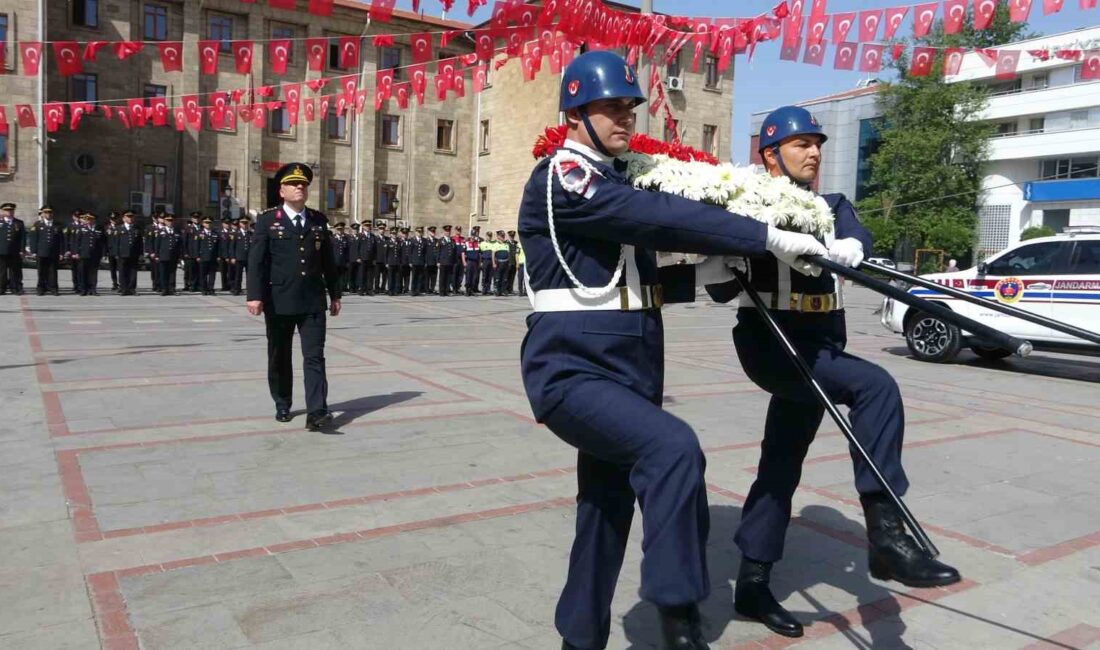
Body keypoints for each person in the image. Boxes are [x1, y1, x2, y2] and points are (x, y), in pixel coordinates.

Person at [520, 51, 827, 650]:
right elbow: (655, 218)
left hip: (629, 369)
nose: (624, 117)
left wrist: (711, 275)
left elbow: (627, 284)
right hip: (572, 369)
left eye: (630, 107)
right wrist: (767, 234)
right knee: (674, 449)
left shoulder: (613, 177)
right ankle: (678, 609)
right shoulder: (566, 174)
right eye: (611, 106)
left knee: (604, 512)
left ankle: (578, 638)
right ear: (576, 108)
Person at [707, 106, 961, 640]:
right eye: (802, 144)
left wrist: (849, 247)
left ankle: (753, 580)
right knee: (877, 385)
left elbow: (856, 237)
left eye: (817, 143)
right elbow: (720, 288)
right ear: (770, 154)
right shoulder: (748, 206)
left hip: (823, 343)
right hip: (773, 343)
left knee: (779, 465)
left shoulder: (832, 205)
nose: (815, 152)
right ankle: (887, 531)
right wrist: (735, 247)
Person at [247, 163, 342, 432]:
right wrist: (254, 296)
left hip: (312, 299)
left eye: (303, 184)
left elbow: (328, 261)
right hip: (279, 299)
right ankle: (283, 402)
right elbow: (257, 262)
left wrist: (335, 293)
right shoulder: (268, 220)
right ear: (282, 191)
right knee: (280, 354)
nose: (300, 187)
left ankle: (317, 411)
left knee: (315, 356)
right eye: (293, 184)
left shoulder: (318, 220)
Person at [28, 206, 63, 296]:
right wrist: (34, 251)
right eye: (46, 212)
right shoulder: (37, 224)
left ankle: (53, 288)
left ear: (52, 213)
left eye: (50, 212)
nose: (48, 214)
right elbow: (33, 239)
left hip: (53, 252)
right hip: (41, 252)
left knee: (53, 271)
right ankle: (41, 288)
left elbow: (62, 240)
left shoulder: (58, 225)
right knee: (41, 271)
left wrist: (61, 252)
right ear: (42, 214)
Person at [75, 212, 106, 296]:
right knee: (83, 272)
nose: (88, 220)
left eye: (90, 219)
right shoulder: (81, 228)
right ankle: (83, 289)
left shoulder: (99, 228)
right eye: (87, 219)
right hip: (84, 253)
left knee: (93, 272)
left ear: (94, 220)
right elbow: (77, 241)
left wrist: (103, 254)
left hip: (95, 254)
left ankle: (93, 289)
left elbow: (103, 242)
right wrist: (77, 252)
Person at [0, 202, 26, 295]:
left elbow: (23, 238)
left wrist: (22, 250)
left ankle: (14, 287)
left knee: (14, 271)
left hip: (14, 251)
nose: (9, 212)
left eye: (11, 210)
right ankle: (1, 288)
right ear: (3, 211)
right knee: (1, 271)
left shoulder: (19, 223)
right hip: (1, 251)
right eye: (7, 210)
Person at [116, 211, 142, 295]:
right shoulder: (119, 228)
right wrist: (116, 253)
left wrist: (140, 253)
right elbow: (116, 242)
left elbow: (140, 242)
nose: (130, 218)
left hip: (134, 253)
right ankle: (124, 289)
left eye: (131, 217)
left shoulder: (136, 228)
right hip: (122, 253)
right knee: (123, 271)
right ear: (124, 218)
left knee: (133, 271)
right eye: (128, 217)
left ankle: (131, 288)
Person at [156, 214, 182, 296]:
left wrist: (180, 256)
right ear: (164, 221)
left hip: (173, 256)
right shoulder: (160, 231)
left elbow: (180, 245)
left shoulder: (177, 231)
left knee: (172, 273)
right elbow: (157, 244)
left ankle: (172, 288)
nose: (170, 222)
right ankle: (164, 289)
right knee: (163, 273)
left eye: (171, 221)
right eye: (168, 220)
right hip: (163, 255)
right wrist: (157, 255)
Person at [196, 217, 220, 295]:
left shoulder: (215, 233)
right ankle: (204, 289)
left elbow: (218, 246)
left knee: (212, 274)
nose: (208, 224)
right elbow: (197, 245)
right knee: (203, 274)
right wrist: (197, 256)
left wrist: (218, 255)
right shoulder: (199, 233)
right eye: (206, 222)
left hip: (213, 257)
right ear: (203, 224)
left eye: (209, 223)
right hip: (203, 256)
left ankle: (211, 288)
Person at [232, 216, 252, 296]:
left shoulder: (251, 233)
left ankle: (249, 289)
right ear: (240, 224)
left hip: (249, 258)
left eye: (246, 223)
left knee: (249, 275)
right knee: (238, 275)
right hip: (239, 257)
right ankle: (237, 289)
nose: (245, 225)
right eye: (243, 223)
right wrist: (233, 257)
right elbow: (232, 247)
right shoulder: (236, 234)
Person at [437, 225, 457, 296]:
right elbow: (438, 252)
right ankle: (441, 291)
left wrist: (454, 261)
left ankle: (446, 291)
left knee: (448, 277)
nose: (448, 233)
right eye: (446, 231)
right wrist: (438, 261)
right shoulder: (440, 240)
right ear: (444, 232)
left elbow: (454, 251)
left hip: (450, 262)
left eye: (449, 231)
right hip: (443, 262)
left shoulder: (452, 241)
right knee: (442, 277)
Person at [410, 226, 428, 296]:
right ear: (415, 232)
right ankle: (413, 290)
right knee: (414, 276)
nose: (419, 233)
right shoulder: (412, 240)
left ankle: (418, 290)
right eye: (418, 232)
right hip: (415, 261)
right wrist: (410, 261)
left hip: (421, 261)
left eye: (421, 232)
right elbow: (410, 252)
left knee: (420, 277)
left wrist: (425, 261)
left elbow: (426, 252)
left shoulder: (424, 241)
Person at [424, 225, 439, 294]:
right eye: (431, 231)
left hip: (435, 262)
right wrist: (425, 261)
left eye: (434, 231)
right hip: (428, 261)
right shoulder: (425, 241)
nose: (433, 232)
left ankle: (432, 288)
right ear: (428, 232)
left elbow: (438, 251)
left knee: (434, 276)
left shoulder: (437, 241)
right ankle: (426, 289)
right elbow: (424, 252)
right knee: (427, 276)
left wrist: (438, 261)